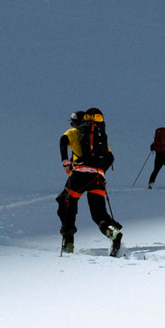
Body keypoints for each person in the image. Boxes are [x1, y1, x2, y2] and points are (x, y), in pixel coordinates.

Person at [57, 107, 123, 256]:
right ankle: (113, 232)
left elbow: (62, 140)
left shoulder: (75, 132)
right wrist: (99, 170)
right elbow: (111, 157)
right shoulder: (100, 137)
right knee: (98, 213)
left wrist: (65, 162)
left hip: (79, 175)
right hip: (98, 177)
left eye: (73, 123)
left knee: (66, 203)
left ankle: (68, 244)